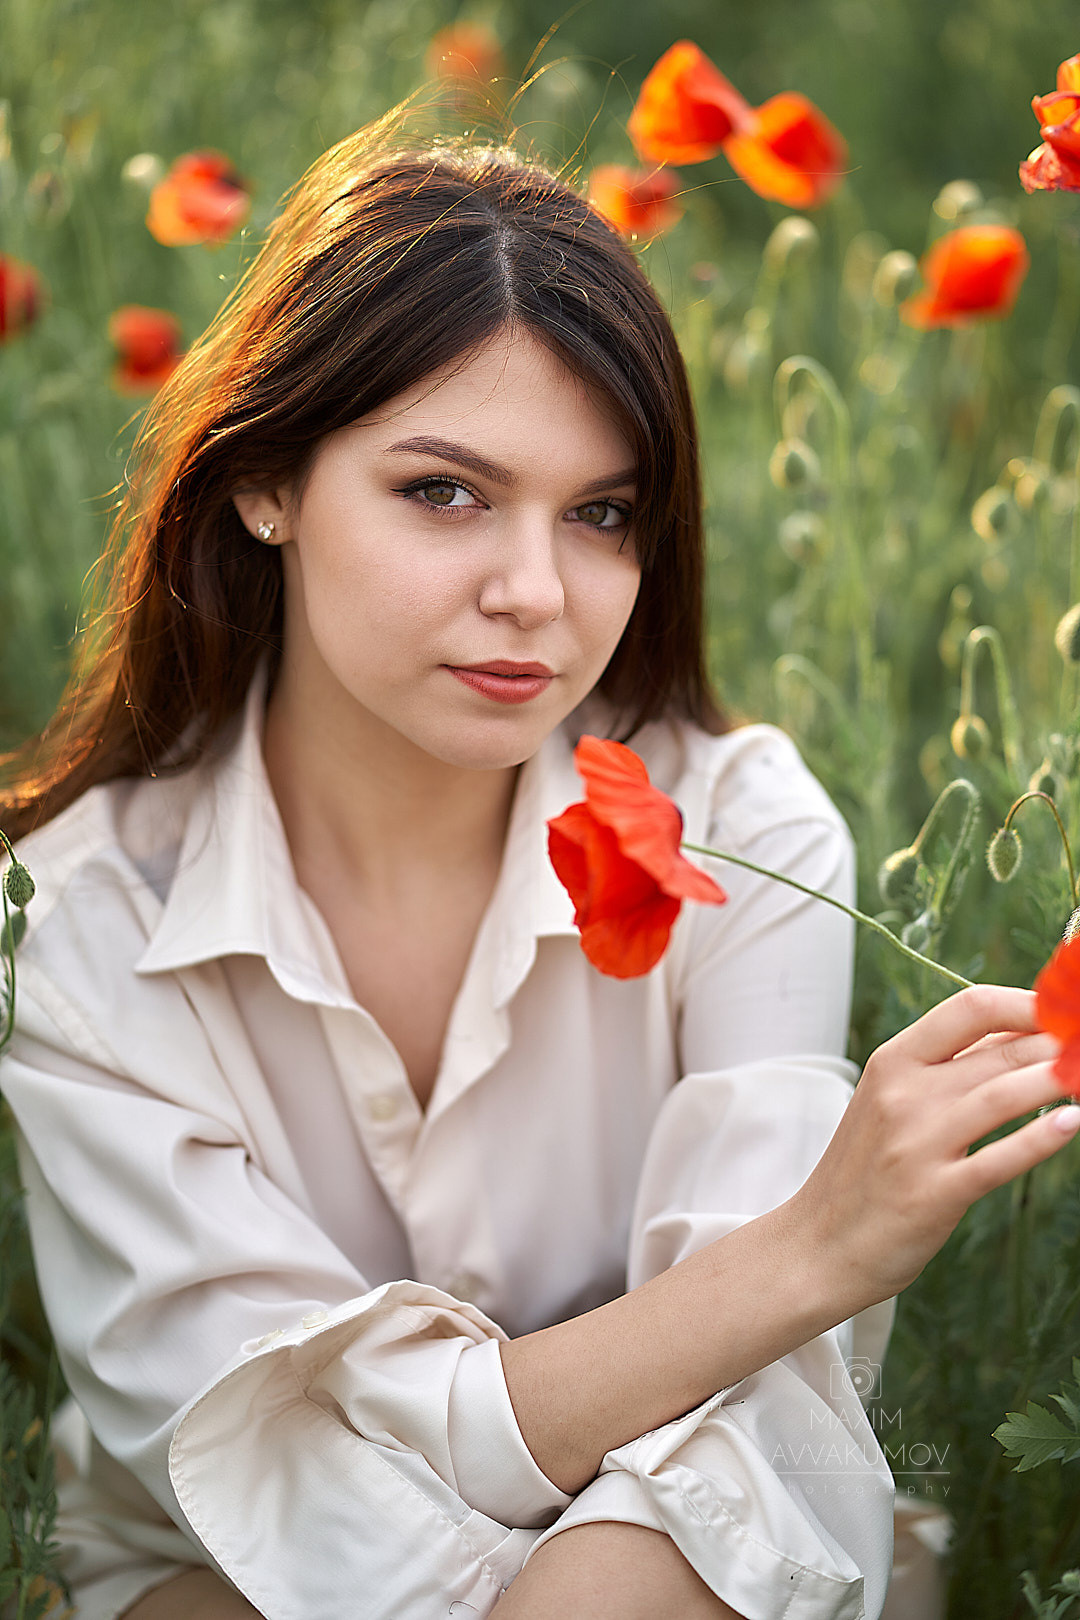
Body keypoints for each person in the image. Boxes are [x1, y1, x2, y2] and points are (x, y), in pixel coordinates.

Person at [0, 118, 1074, 1620]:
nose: (534, 595)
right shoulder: (80, 919)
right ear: (264, 483)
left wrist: (575, 1586)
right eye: (443, 492)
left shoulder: (744, 833)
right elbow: (273, 1479)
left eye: (602, 513)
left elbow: (764, 1446)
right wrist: (814, 1251)